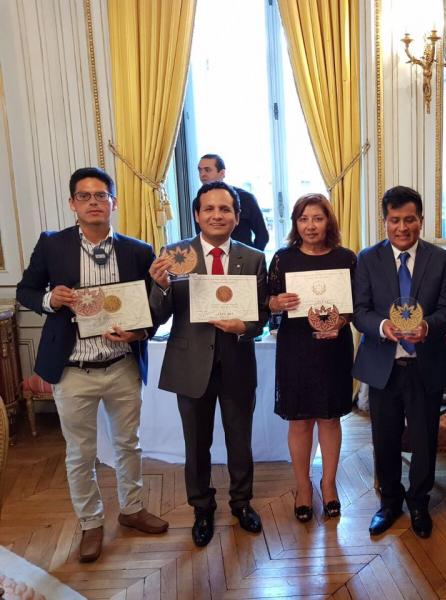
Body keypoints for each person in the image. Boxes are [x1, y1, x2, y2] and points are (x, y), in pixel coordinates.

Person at [16, 167, 168, 563]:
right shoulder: (52, 245)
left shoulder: (138, 250)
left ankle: (132, 510)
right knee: (80, 453)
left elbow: (152, 308)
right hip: (72, 369)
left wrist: (139, 334)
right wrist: (52, 299)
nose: (94, 202)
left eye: (101, 195)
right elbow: (26, 290)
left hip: (121, 365)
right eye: (84, 196)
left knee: (128, 445)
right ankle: (90, 523)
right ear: (72, 204)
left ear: (114, 203)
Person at [148, 181, 268, 547]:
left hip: (236, 363)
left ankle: (241, 502)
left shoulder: (252, 258)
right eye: (209, 209)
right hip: (190, 365)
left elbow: (261, 316)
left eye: (225, 209)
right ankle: (202, 507)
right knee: (196, 443)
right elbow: (157, 316)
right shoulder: (174, 254)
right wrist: (162, 286)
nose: (217, 215)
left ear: (236, 215)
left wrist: (244, 326)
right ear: (197, 215)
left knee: (239, 441)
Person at [352, 186, 446, 539]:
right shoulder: (367, 258)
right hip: (383, 365)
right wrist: (383, 327)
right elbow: (360, 311)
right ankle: (389, 503)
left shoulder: (441, 260)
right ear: (385, 222)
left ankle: (419, 502)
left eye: (409, 219)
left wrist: (427, 327)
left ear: (421, 220)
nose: (402, 227)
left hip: (425, 365)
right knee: (384, 438)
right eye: (394, 220)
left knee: (425, 439)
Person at [267, 193, 356, 522]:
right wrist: (278, 302)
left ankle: (329, 485)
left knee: (330, 418)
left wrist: (340, 320)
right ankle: (303, 487)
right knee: (300, 419)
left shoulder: (346, 258)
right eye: (303, 219)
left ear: (328, 221)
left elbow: (355, 305)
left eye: (317, 218)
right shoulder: (282, 258)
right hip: (296, 348)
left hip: (333, 348)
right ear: (295, 224)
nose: (310, 225)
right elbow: (267, 301)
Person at [196, 154, 269, 250]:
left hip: (243, 259)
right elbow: (201, 236)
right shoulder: (198, 201)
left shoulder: (246, 198)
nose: (202, 174)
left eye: (207, 170)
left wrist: (253, 260)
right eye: (200, 170)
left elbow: (262, 235)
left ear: (222, 173)